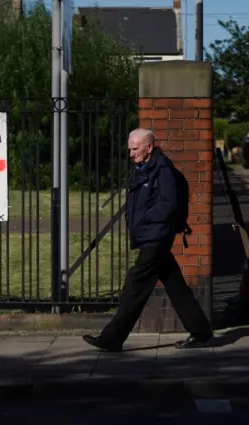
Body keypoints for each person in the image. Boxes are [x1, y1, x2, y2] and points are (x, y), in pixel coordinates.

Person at [82, 128, 213, 352]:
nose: (131, 153)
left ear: (149, 147)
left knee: (135, 285)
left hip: (157, 237)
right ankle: (202, 332)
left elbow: (168, 204)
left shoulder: (162, 170)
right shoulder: (142, 169)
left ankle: (112, 338)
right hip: (151, 236)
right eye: (130, 149)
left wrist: (144, 218)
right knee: (175, 284)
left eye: (135, 148)